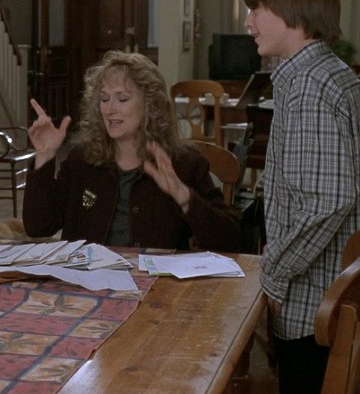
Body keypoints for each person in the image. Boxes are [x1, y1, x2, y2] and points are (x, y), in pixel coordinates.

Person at [243, 0, 360, 394]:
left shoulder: (310, 87)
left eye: (257, 9)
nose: (248, 22)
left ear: (291, 10)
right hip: (324, 292)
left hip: (312, 303)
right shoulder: (329, 74)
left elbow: (328, 200)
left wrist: (276, 272)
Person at [23, 50, 240, 252]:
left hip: (156, 281)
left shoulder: (184, 163)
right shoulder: (82, 160)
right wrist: (45, 155)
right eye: (104, 99)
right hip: (87, 278)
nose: (110, 109)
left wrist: (184, 197)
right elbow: (38, 226)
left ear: (150, 105)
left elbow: (231, 241)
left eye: (122, 99)